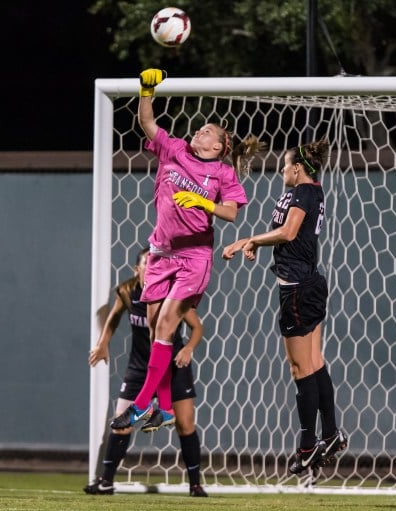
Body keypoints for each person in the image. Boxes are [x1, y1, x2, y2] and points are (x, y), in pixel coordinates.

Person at [109, 68, 264, 431]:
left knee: (165, 325)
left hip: (194, 257)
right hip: (160, 252)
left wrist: (201, 201)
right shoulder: (175, 149)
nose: (200, 130)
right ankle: (164, 407)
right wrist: (147, 89)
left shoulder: (223, 174)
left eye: (208, 131)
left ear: (218, 147)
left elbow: (230, 212)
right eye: (201, 127)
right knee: (153, 330)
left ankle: (140, 405)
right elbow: (146, 122)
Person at [222, 141, 347, 475]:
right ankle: (331, 434)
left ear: (296, 168)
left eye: (283, 165)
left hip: (297, 289)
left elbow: (289, 231)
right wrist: (259, 244)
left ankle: (307, 447)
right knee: (316, 362)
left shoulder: (304, 192)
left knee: (300, 369)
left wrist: (248, 240)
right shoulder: (305, 192)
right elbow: (287, 234)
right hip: (308, 284)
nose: (280, 170)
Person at [84, 247, 208, 497]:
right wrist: (102, 343)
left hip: (173, 368)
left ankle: (195, 484)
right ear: (137, 269)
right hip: (139, 368)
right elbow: (114, 318)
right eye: (147, 264)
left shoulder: (172, 296)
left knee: (185, 425)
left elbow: (197, 327)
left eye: (155, 264)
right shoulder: (128, 291)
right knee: (121, 424)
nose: (152, 268)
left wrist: (189, 349)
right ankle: (106, 481)